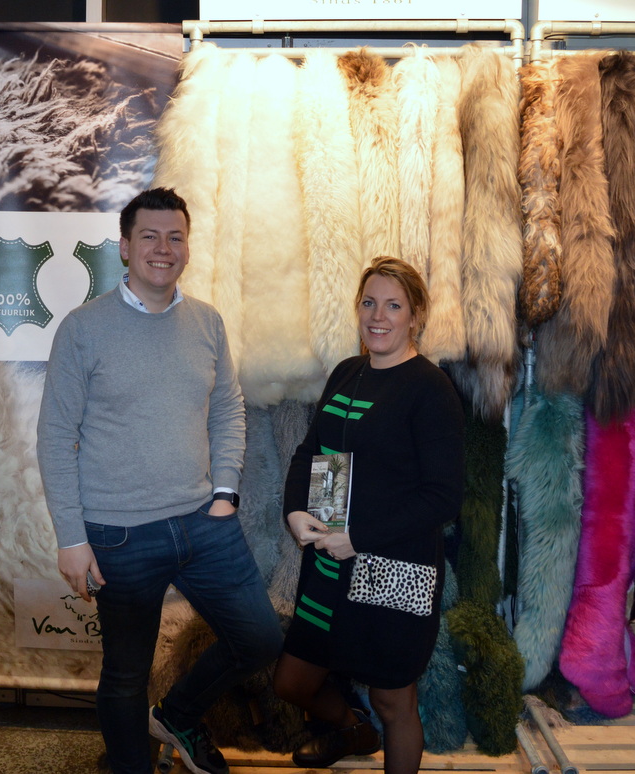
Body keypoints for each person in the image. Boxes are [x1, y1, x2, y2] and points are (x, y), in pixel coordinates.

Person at [37, 187, 283, 774]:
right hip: (118, 534)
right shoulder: (83, 328)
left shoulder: (207, 322)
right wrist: (72, 538)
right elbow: (55, 436)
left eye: (175, 237)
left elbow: (228, 408)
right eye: (149, 236)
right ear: (125, 247)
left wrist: (225, 492)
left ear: (188, 248)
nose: (163, 248)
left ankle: (178, 716)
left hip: (204, 522)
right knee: (126, 674)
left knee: (260, 639)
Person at [273, 256, 464, 774]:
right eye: (369, 303)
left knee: (393, 702)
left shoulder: (431, 388)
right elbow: (311, 452)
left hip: (393, 567)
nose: (378, 316)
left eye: (394, 306)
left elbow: (444, 497)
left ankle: (370, 732)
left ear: (416, 316)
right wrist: (295, 511)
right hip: (328, 564)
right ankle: (353, 731)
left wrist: (358, 537)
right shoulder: (347, 373)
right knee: (292, 682)